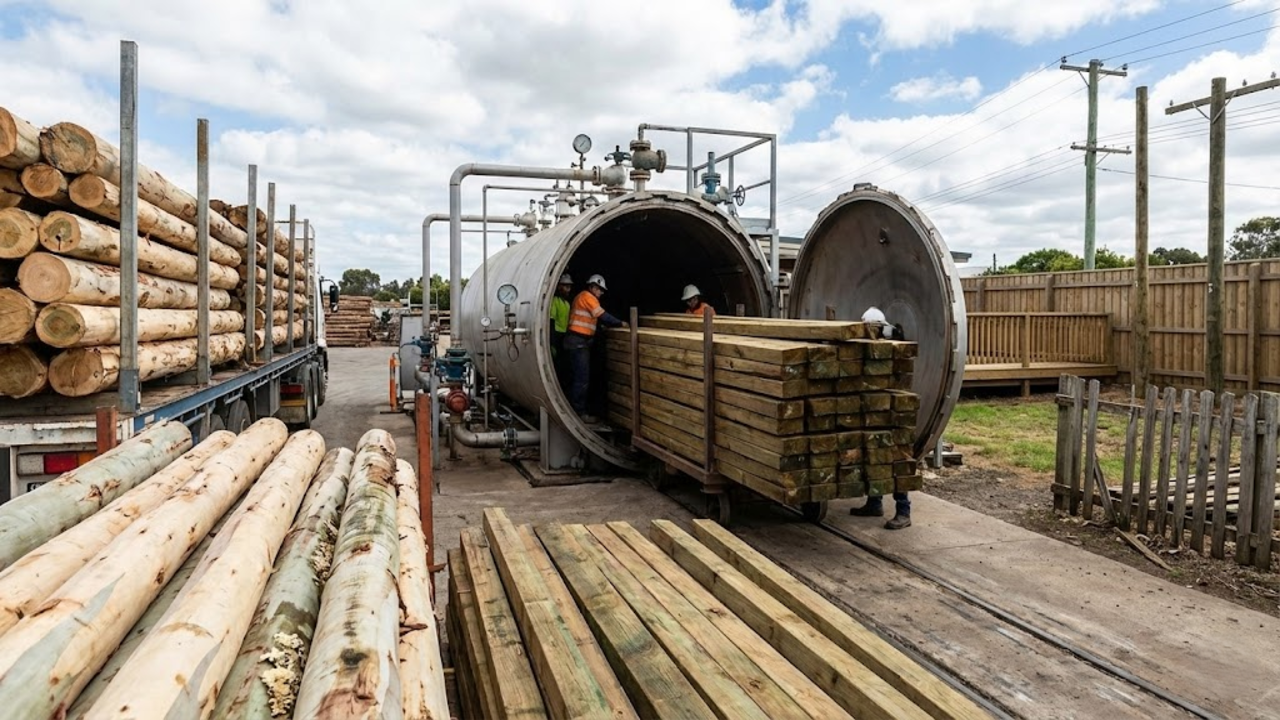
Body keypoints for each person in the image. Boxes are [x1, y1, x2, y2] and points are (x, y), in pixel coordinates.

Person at [851, 305, 911, 530]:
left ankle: (903, 511)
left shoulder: (894, 351)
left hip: (893, 414)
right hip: (874, 412)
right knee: (873, 457)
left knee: (895, 460)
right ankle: (874, 502)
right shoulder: (869, 349)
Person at [564, 274, 624, 422]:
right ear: (593, 287)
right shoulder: (587, 297)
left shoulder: (583, 298)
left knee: (579, 377)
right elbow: (603, 316)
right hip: (578, 342)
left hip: (578, 342)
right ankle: (579, 413)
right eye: (600, 289)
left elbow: (590, 320)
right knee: (582, 379)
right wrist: (620, 323)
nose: (602, 293)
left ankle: (575, 409)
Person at [549, 273, 573, 389]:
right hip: (556, 335)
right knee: (558, 365)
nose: (568, 289)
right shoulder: (554, 301)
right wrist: (552, 342)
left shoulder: (567, 303)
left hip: (565, 336)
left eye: (569, 287)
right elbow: (551, 320)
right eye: (565, 286)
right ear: (559, 287)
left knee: (565, 365)